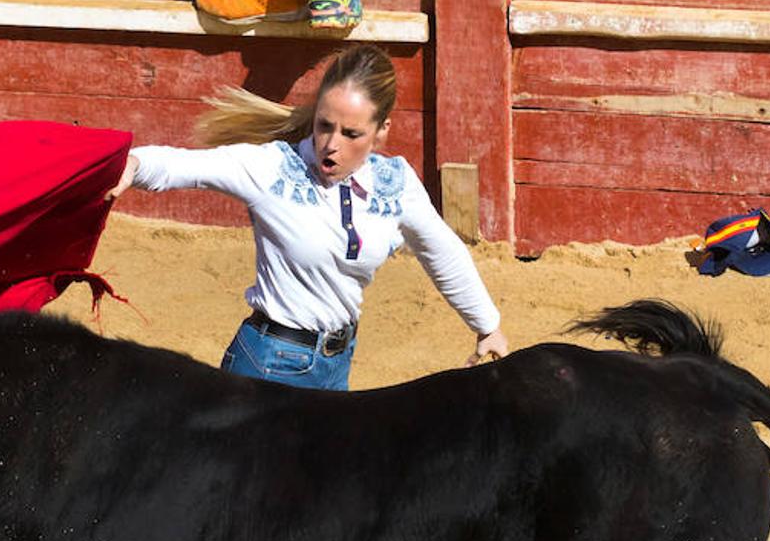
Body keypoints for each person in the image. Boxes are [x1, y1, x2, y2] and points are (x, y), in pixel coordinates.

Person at [108, 44, 508, 391]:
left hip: (337, 365)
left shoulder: (396, 183)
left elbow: (442, 252)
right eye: (323, 126)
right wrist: (133, 163)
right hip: (266, 367)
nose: (330, 146)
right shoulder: (274, 168)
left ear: (381, 131)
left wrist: (487, 325)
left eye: (351, 134)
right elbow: (186, 166)